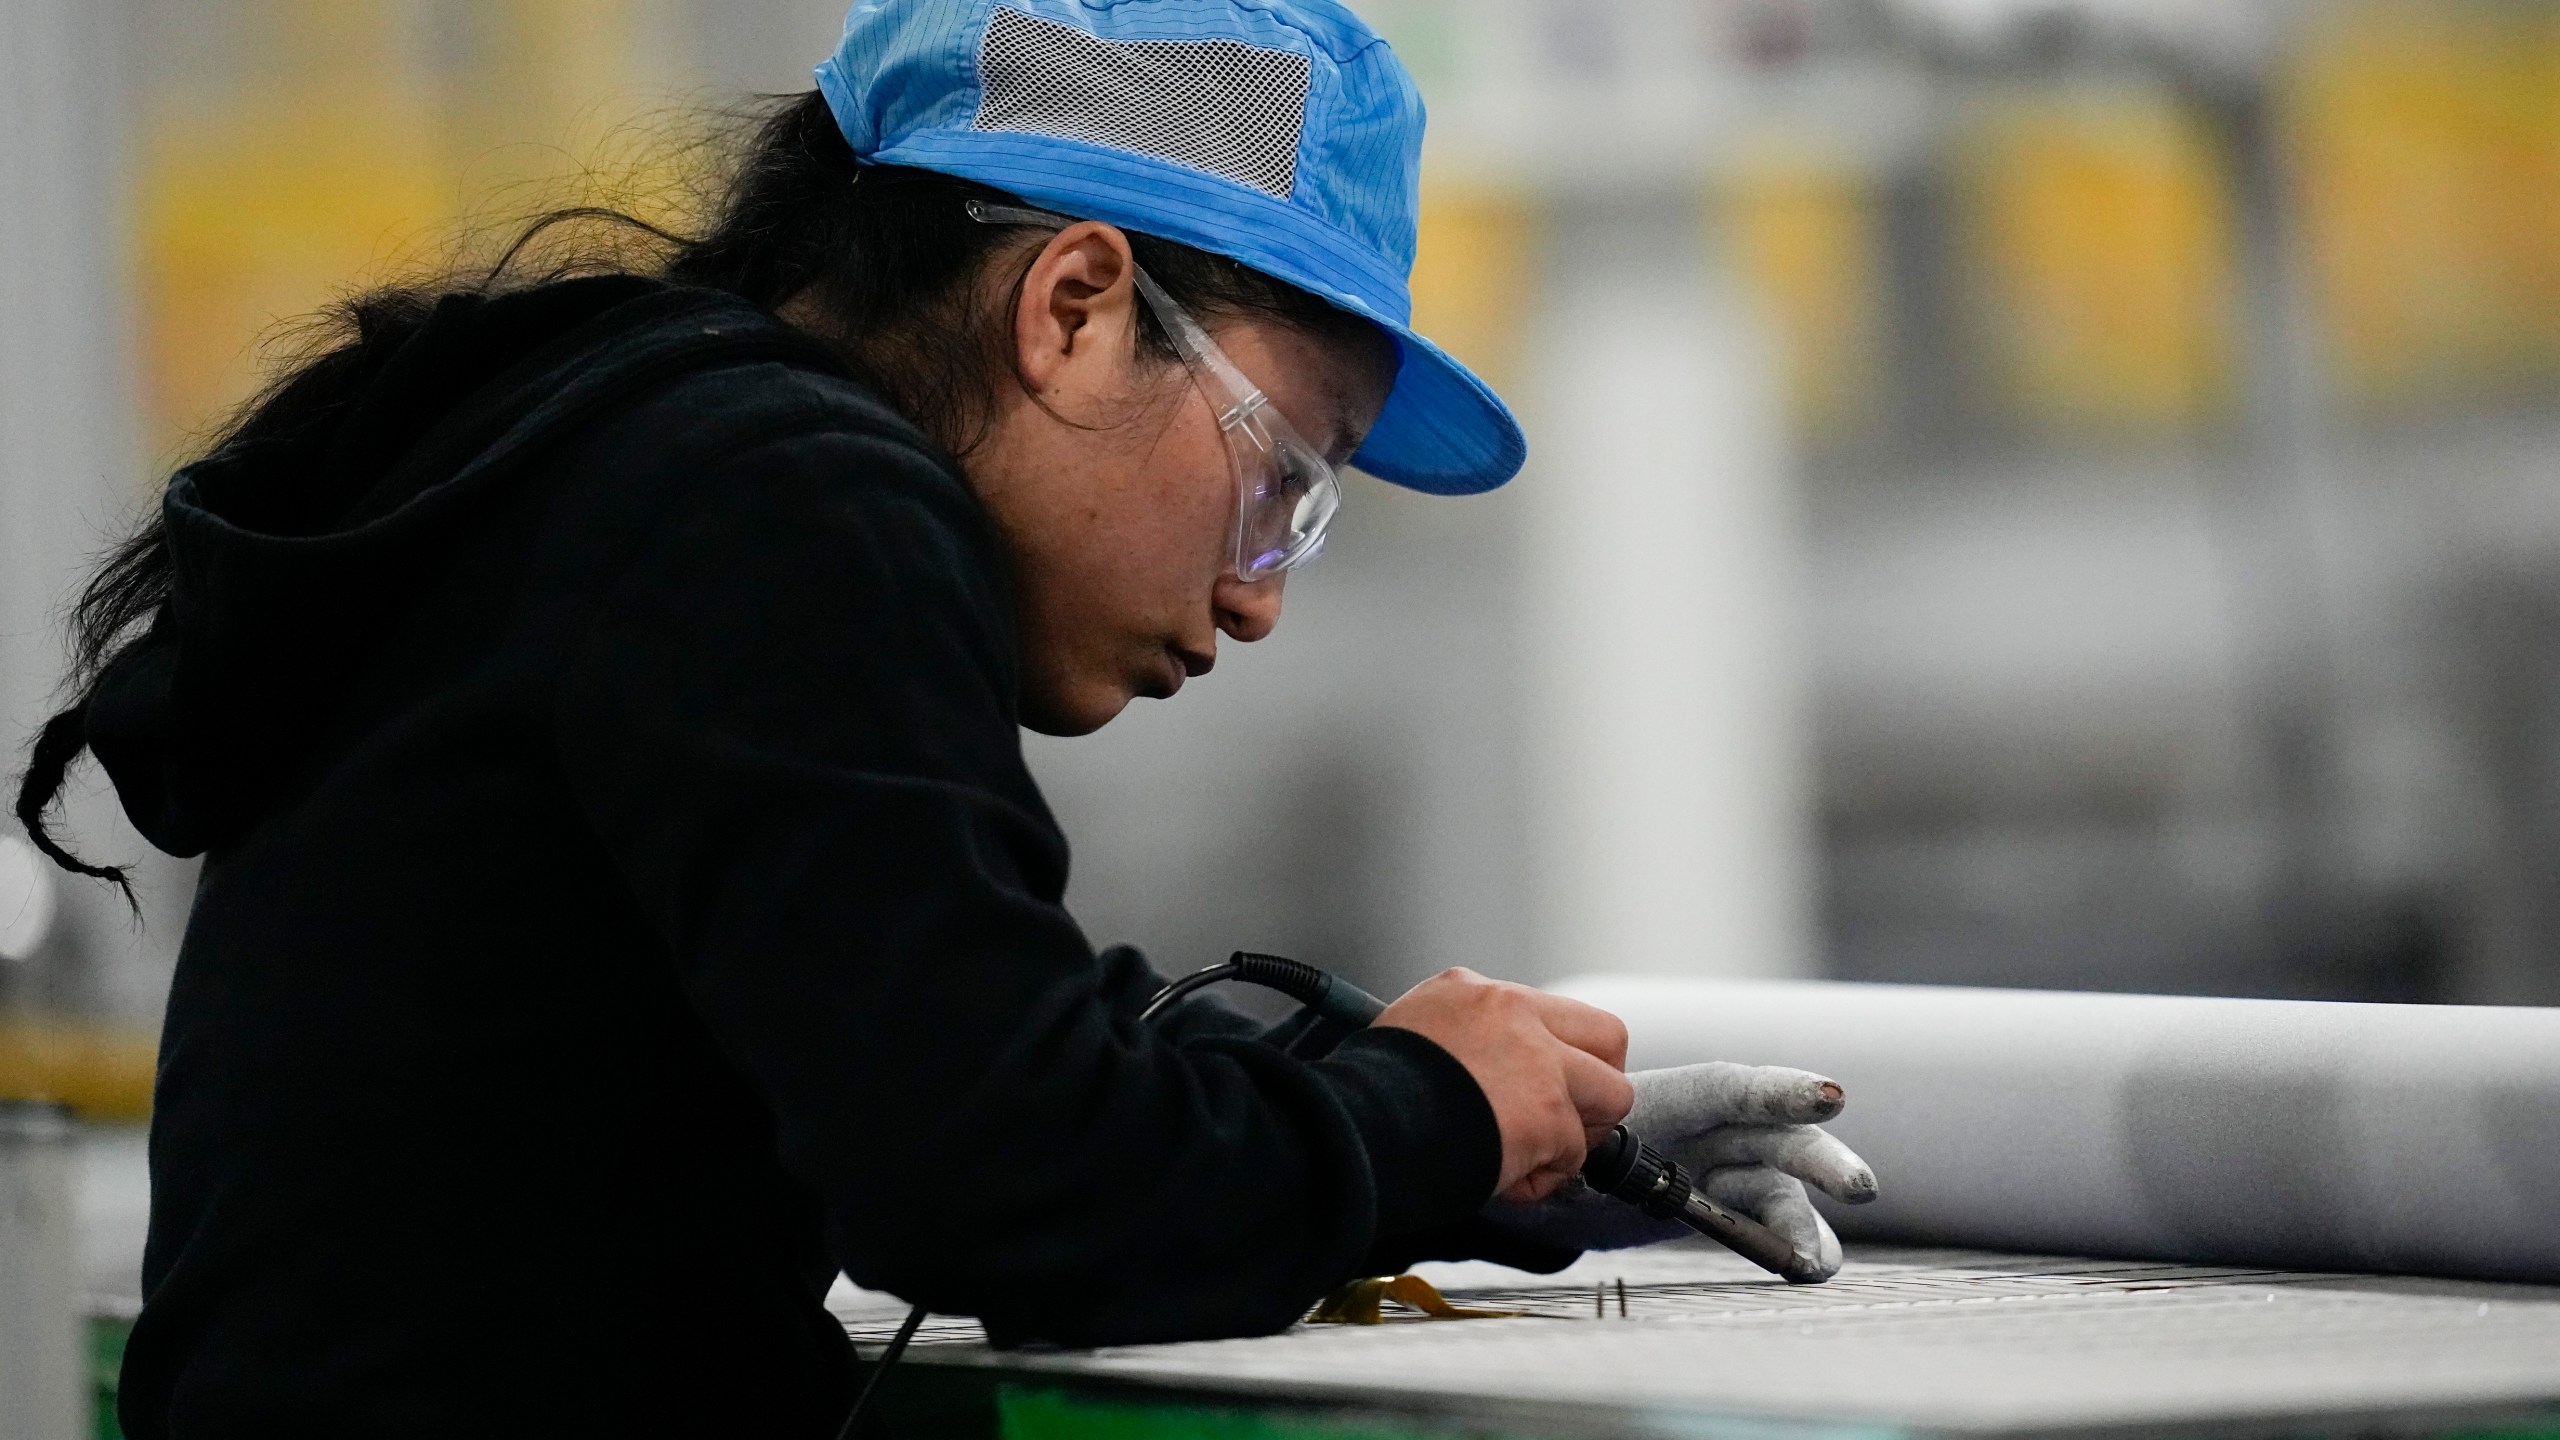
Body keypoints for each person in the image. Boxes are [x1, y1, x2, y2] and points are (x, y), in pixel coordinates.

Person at [12, 2, 1872, 1435]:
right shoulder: (783, 496)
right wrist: (1419, 1124)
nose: (1258, 592)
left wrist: (1460, 1141)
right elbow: (1006, 1186)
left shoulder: (613, 458)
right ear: (1072, 305)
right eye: (1283, 475)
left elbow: (966, 1066)